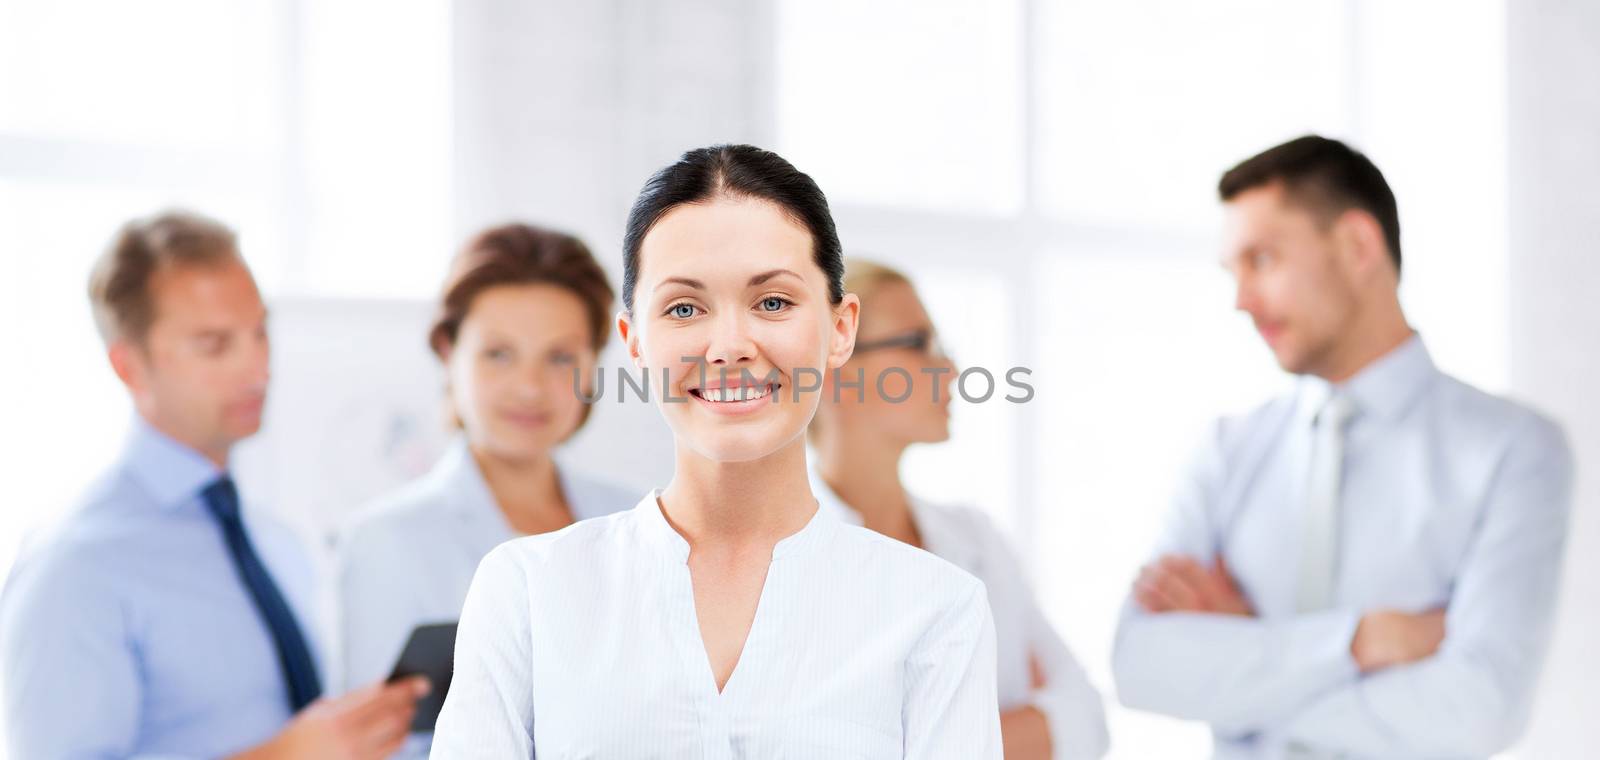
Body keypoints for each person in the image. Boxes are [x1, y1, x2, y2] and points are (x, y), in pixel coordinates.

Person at [430, 145, 1003, 758]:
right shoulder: (527, 591)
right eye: (684, 308)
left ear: (841, 330)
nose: (729, 345)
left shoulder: (937, 610)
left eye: (773, 302)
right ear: (634, 341)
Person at [1111, 136, 1574, 759]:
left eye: (1263, 260)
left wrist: (1249, 664)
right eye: (1234, 272)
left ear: (1357, 245)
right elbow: (1142, 666)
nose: (1241, 301)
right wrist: (1359, 642)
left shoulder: (1515, 450)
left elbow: (1480, 708)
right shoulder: (1226, 450)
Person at [0, 211, 426, 759]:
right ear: (129, 366)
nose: (258, 367)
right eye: (214, 344)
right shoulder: (74, 564)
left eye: (259, 332)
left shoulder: (273, 539)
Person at [337, 223, 634, 754]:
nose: (529, 387)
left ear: (593, 365)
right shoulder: (386, 541)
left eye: (560, 357)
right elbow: (383, 749)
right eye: (499, 354)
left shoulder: (639, 520)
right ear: (450, 354)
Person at [809, 258, 1109, 760]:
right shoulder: (781, 559)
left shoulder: (977, 539)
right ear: (835, 367)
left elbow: (1087, 720)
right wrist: (1026, 727)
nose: (949, 369)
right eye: (916, 343)